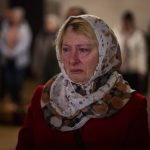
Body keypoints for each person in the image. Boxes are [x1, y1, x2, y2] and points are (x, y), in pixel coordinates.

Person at [16, 15, 150, 150]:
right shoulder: (43, 97)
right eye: (66, 49)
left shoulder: (132, 106)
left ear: (105, 54)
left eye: (83, 49)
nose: (73, 60)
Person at [0, 7, 32, 105]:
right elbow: (1, 40)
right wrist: (6, 52)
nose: (14, 18)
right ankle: (11, 102)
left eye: (16, 16)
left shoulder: (25, 27)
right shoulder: (5, 25)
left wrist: (12, 53)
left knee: (18, 83)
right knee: (8, 81)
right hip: (7, 59)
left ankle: (17, 102)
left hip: (19, 60)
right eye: (13, 16)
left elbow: (25, 44)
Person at [114, 11, 148, 94]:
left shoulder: (138, 35)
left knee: (134, 94)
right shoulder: (115, 33)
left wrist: (142, 70)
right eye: (124, 22)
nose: (126, 24)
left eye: (128, 22)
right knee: (120, 95)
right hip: (119, 70)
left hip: (133, 71)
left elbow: (142, 53)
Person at [32, 14, 60, 83]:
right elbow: (36, 53)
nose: (47, 25)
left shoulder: (59, 37)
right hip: (41, 68)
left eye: (50, 23)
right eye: (46, 23)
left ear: (55, 25)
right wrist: (34, 67)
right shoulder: (41, 35)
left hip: (53, 71)